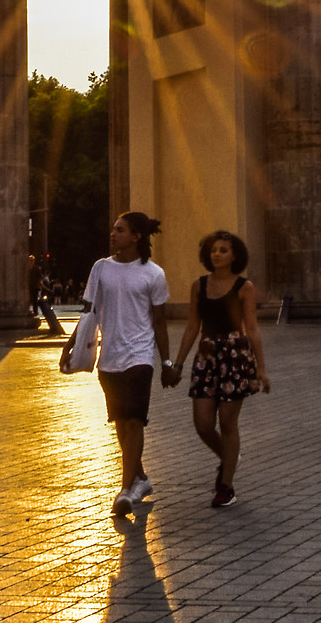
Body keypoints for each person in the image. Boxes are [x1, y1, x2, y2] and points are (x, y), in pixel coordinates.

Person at [71, 210, 169, 517]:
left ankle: (125, 490)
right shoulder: (101, 268)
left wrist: (167, 361)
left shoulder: (154, 274)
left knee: (135, 420)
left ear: (137, 237)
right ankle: (140, 478)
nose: (113, 234)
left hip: (140, 355)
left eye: (120, 230)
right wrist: (71, 345)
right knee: (121, 423)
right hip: (109, 356)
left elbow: (160, 321)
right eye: (114, 229)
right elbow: (88, 310)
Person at [166, 230, 270, 504]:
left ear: (234, 255)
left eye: (223, 250)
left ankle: (226, 486)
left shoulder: (244, 287)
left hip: (235, 358)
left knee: (227, 422)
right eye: (214, 250)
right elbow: (192, 327)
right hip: (206, 357)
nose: (217, 254)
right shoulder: (199, 286)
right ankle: (229, 456)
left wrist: (261, 368)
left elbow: (252, 328)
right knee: (202, 424)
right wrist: (177, 363)